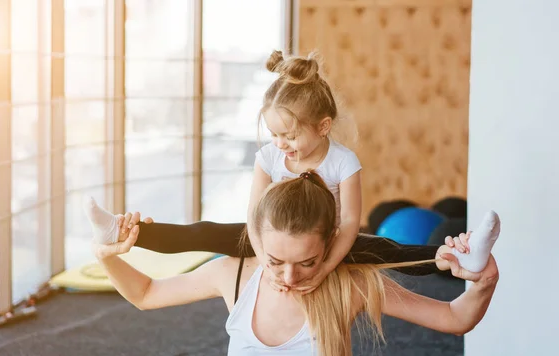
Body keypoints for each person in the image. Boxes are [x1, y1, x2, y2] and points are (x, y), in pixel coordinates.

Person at [84, 50, 497, 290]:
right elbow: (253, 215)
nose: (281, 144)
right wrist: (265, 256)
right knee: (205, 231)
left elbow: (351, 222)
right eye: (274, 134)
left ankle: (462, 256)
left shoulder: (343, 162)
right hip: (273, 240)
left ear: (323, 127)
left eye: (290, 136)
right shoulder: (269, 158)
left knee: (390, 252)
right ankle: (121, 231)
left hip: (325, 241)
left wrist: (326, 265)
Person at [89, 170, 500, 356]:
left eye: (307, 262)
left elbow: (452, 319)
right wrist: (107, 258)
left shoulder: (347, 285)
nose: (289, 276)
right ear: (255, 241)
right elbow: (145, 294)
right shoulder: (233, 275)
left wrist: (483, 283)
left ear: (330, 247)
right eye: (275, 261)